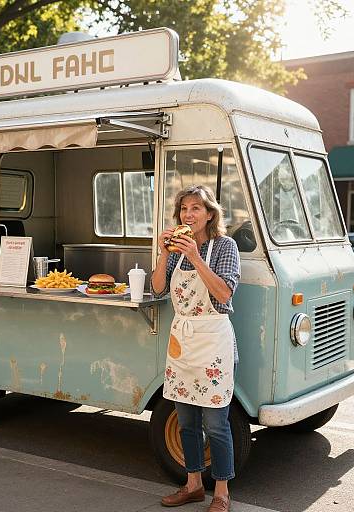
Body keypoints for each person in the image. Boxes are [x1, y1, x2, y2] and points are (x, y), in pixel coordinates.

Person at [151, 185, 240, 512]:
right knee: (185, 420)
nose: (188, 214)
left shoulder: (225, 247)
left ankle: (221, 492)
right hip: (183, 342)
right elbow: (158, 289)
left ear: (210, 214)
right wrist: (164, 253)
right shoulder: (174, 251)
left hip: (213, 341)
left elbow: (224, 293)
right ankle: (191, 485)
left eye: (195, 209)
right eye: (184, 210)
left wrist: (193, 256)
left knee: (216, 424)